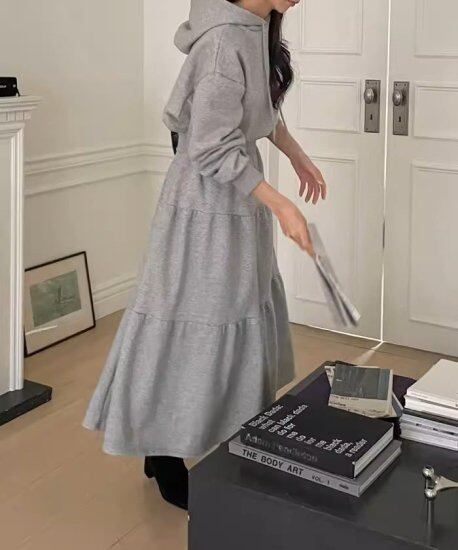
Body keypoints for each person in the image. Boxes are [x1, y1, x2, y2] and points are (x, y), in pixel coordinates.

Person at [82, 0, 326, 511]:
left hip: (238, 197)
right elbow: (210, 146)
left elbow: (259, 113)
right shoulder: (220, 44)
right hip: (205, 204)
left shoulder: (255, 30)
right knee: (192, 322)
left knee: (231, 313)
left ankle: (195, 438)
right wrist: (281, 205)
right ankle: (163, 451)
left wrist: (298, 156)